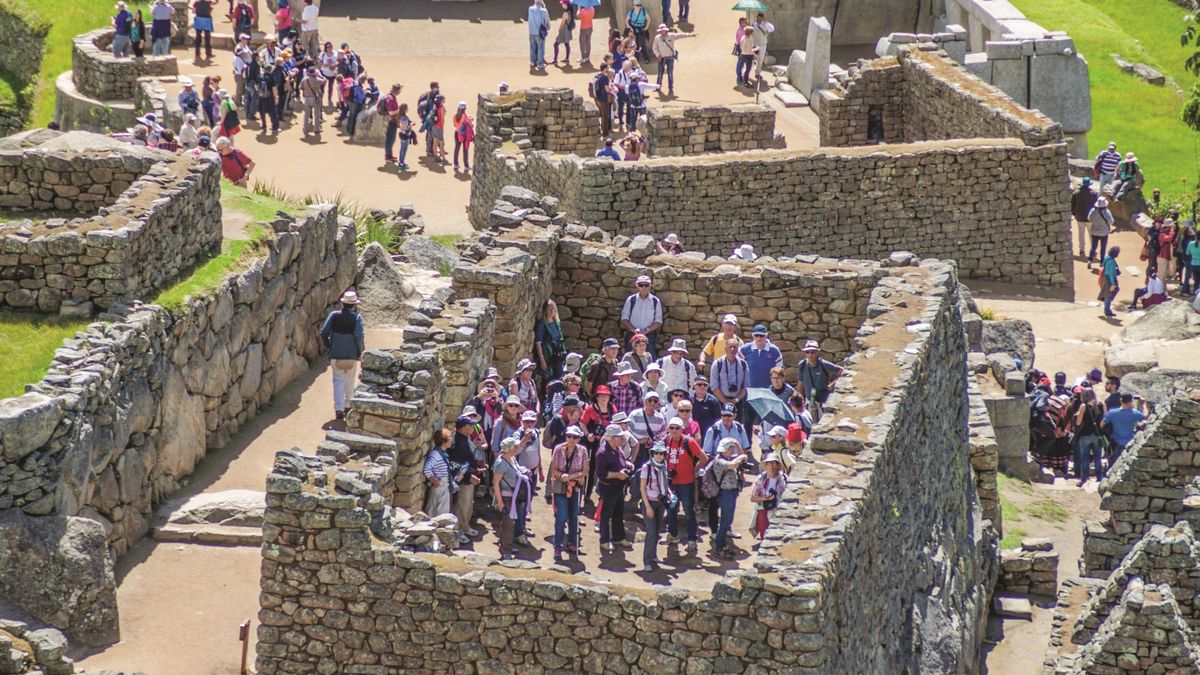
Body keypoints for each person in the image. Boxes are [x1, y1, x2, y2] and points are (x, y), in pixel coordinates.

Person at [319, 290, 365, 420]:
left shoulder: (334, 316)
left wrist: (329, 346)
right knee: (349, 381)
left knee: (337, 381)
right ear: (354, 305)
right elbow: (358, 337)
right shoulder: (357, 318)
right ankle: (347, 405)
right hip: (351, 355)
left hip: (335, 354)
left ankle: (338, 408)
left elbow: (324, 332)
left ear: (343, 303)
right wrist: (359, 352)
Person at [664, 417, 706, 556]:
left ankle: (692, 540)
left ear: (682, 429)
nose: (674, 431)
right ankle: (673, 535)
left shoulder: (689, 441)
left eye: (677, 428)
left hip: (686, 483)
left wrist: (695, 470)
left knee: (689, 512)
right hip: (671, 483)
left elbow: (704, 457)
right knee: (671, 510)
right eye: (672, 428)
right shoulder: (666, 441)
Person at [549, 425, 589, 561]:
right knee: (561, 515)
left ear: (579, 438)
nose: (572, 439)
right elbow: (554, 469)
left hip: (575, 487)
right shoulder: (558, 449)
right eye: (569, 436)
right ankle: (557, 545)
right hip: (561, 486)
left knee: (574, 514)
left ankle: (572, 542)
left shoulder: (583, 450)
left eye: (575, 437)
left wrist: (570, 477)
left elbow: (585, 471)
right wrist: (564, 477)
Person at [595, 424, 634, 552]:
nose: (622, 438)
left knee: (618, 513)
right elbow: (601, 474)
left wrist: (628, 465)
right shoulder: (602, 453)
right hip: (608, 488)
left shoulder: (618, 449)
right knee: (606, 515)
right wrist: (618, 475)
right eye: (619, 437)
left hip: (618, 487)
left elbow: (621, 461)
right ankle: (605, 540)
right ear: (611, 438)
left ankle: (619, 537)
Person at [493, 436, 533, 560]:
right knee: (508, 524)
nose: (517, 448)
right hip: (507, 498)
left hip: (514, 497)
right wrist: (499, 501)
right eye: (515, 446)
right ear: (509, 448)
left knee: (509, 523)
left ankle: (505, 546)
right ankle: (506, 551)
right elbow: (495, 483)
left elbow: (516, 471)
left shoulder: (512, 458)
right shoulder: (501, 463)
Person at [710, 437, 748, 559]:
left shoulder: (727, 458)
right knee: (726, 521)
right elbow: (732, 465)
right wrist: (740, 457)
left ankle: (723, 545)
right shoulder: (720, 462)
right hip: (725, 493)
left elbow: (743, 458)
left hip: (731, 493)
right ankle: (719, 547)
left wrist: (737, 444)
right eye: (731, 448)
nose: (732, 451)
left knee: (728, 520)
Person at [639, 441, 673, 571]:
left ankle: (653, 556)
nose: (659, 455)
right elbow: (642, 488)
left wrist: (670, 495)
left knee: (657, 530)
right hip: (650, 502)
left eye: (661, 453)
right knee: (651, 532)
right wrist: (647, 506)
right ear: (652, 453)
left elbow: (665, 485)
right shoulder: (646, 467)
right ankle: (647, 561)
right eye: (656, 453)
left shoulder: (664, 466)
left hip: (661, 502)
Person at [450, 414, 483, 543]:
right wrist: (469, 476)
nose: (473, 427)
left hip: (469, 477)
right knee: (462, 505)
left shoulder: (464, 439)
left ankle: (465, 526)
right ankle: (458, 531)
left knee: (468, 505)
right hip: (463, 480)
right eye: (471, 425)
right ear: (464, 427)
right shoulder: (457, 442)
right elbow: (457, 464)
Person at [709, 338, 750, 437]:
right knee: (720, 427)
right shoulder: (717, 364)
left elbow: (746, 386)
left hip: (738, 402)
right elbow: (714, 386)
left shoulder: (743, 364)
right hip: (720, 401)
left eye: (735, 347)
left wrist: (735, 400)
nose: (732, 349)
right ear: (725, 349)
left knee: (737, 428)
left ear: (738, 349)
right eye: (730, 347)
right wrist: (725, 401)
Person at [620, 275, 663, 355]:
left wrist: (646, 331)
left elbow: (658, 321)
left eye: (646, 285)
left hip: (648, 336)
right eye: (641, 285)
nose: (644, 287)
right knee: (630, 359)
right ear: (637, 286)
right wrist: (634, 330)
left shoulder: (655, 301)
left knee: (649, 360)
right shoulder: (631, 300)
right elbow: (624, 318)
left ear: (650, 286)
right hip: (632, 335)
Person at [749, 453, 787, 541]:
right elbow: (753, 498)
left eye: (775, 463)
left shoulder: (783, 478)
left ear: (778, 466)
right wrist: (766, 498)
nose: (773, 466)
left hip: (778, 511)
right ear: (766, 465)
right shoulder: (761, 478)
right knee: (764, 536)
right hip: (763, 510)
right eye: (770, 463)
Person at [797, 340, 843, 410]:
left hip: (823, 401)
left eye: (813, 352)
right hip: (809, 402)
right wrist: (800, 400)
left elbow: (841, 371)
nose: (810, 354)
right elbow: (800, 383)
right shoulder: (802, 365)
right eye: (807, 352)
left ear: (817, 352)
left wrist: (833, 384)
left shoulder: (823, 364)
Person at [1102, 393, 1146, 464]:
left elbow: (1102, 424)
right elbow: (1145, 416)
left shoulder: (1112, 413)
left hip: (1115, 442)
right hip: (1129, 443)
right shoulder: (1134, 413)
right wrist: (1143, 404)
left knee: (1113, 463)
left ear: (1121, 401)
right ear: (1130, 402)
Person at [651, 24, 695, 96]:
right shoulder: (657, 38)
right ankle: (658, 87)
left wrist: (690, 35)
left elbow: (680, 35)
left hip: (670, 58)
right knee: (660, 73)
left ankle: (670, 88)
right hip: (661, 58)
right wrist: (658, 55)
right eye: (661, 31)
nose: (662, 32)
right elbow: (654, 48)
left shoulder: (671, 36)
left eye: (663, 30)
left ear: (666, 30)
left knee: (670, 74)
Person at [1073, 389, 1105, 485]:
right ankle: (1099, 478)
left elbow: (1078, 422)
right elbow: (1105, 419)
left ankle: (1084, 479)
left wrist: (1078, 415)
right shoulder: (1101, 405)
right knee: (1097, 458)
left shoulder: (1083, 406)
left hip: (1085, 435)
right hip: (1097, 435)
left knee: (1085, 458)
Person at [423, 428, 456, 518]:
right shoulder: (436, 454)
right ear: (443, 441)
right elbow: (427, 468)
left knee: (440, 510)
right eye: (449, 438)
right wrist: (434, 480)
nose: (451, 440)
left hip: (444, 485)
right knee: (438, 511)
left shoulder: (442, 453)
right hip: (440, 486)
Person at [534, 299, 566, 381]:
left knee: (560, 377)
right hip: (548, 356)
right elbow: (538, 343)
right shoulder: (542, 324)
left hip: (557, 355)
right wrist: (542, 360)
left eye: (554, 309)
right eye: (550, 309)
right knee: (549, 379)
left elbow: (559, 339)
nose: (552, 311)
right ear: (545, 310)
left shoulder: (556, 323)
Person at [514, 410, 544, 498]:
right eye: (527, 421)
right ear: (522, 422)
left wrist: (541, 471)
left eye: (532, 421)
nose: (529, 424)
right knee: (521, 501)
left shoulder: (536, 433)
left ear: (536, 421)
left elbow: (537, 452)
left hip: (534, 472)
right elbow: (515, 452)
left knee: (529, 499)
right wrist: (525, 439)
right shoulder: (518, 434)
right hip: (521, 474)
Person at [1071, 178, 1098, 257]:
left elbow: (1072, 205)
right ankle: (1093, 249)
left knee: (1081, 233)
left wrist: (1074, 214)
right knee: (1091, 234)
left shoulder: (1076, 193)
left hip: (1079, 217)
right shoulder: (1094, 193)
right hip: (1090, 217)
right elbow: (1096, 205)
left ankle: (1082, 249)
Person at [1087, 197, 1114, 267]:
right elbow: (1111, 221)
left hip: (1094, 231)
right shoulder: (1107, 212)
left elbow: (1089, 218)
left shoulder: (1093, 210)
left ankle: (1090, 260)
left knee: (1093, 247)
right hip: (1104, 233)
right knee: (1103, 247)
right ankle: (1102, 262)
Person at [299, 67, 326, 135]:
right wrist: (319, 75)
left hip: (307, 99)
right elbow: (325, 80)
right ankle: (317, 129)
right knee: (317, 114)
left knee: (306, 115)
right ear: (314, 72)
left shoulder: (304, 79)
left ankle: (305, 129)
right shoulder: (317, 79)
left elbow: (300, 87)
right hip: (315, 99)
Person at [381, 84, 402, 165]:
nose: (400, 92)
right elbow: (391, 112)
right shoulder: (391, 99)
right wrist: (399, 110)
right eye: (399, 90)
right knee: (390, 139)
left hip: (391, 120)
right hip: (391, 121)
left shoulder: (390, 96)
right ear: (396, 91)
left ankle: (389, 155)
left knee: (391, 139)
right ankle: (388, 157)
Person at [528, 0, 551, 71]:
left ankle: (533, 62)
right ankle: (540, 64)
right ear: (541, 3)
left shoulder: (530, 9)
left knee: (532, 47)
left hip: (531, 32)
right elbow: (547, 20)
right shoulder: (544, 11)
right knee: (540, 48)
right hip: (540, 33)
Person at [452, 101, 475, 173]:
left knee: (457, 149)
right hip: (464, 135)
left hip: (457, 133)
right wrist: (470, 120)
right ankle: (466, 166)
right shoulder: (466, 117)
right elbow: (471, 126)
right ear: (465, 109)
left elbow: (455, 125)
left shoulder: (454, 116)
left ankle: (455, 164)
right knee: (465, 150)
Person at [551, 0, 574, 67]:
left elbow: (562, 23)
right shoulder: (570, 12)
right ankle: (567, 59)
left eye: (563, 4)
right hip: (568, 30)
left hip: (564, 31)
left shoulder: (565, 13)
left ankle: (555, 60)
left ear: (566, 5)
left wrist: (559, 29)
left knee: (555, 44)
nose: (562, 5)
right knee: (567, 44)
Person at [593, 68, 615, 138]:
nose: (612, 77)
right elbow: (607, 90)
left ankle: (599, 131)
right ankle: (605, 135)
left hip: (597, 99)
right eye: (612, 75)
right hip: (603, 100)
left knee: (600, 115)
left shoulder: (598, 76)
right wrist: (611, 89)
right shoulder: (605, 78)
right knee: (605, 117)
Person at [1100, 246, 1121, 318]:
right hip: (1110, 279)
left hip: (1106, 278)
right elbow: (1111, 274)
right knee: (1109, 295)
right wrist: (1113, 284)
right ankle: (1107, 310)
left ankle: (1106, 305)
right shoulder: (1112, 262)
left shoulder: (1107, 258)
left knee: (1108, 294)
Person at [577, 0, 595, 65]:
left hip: (583, 29)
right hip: (590, 28)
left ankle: (583, 58)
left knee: (582, 43)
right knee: (588, 42)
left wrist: (579, 9)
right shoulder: (592, 9)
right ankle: (587, 57)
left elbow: (578, 16)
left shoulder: (583, 11)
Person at [1185, 232, 1200, 297]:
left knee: (1196, 280)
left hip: (1193, 263)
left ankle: (1195, 295)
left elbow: (1187, 253)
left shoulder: (1191, 243)